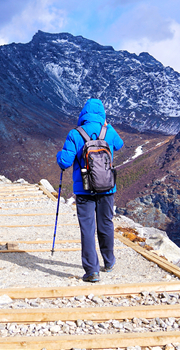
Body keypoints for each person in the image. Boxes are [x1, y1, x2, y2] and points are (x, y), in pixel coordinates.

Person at [56, 98, 124, 282]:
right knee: (106, 223)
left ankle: (92, 271)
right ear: (102, 113)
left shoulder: (75, 134)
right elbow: (119, 145)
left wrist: (59, 155)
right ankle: (109, 261)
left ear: (83, 113)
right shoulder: (108, 130)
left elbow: (65, 162)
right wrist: (108, 127)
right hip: (107, 187)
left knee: (87, 228)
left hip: (84, 189)